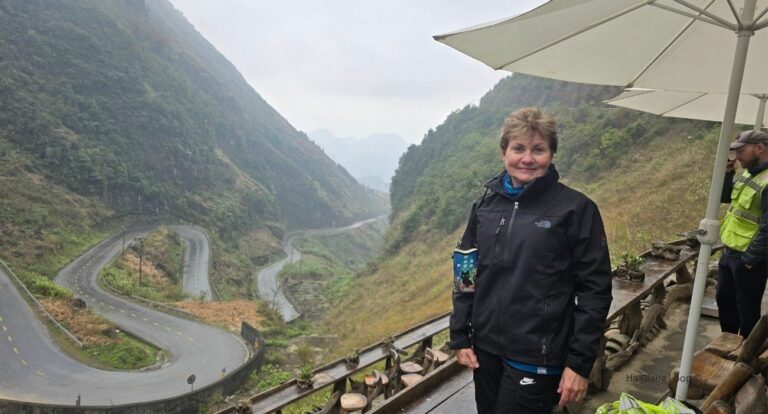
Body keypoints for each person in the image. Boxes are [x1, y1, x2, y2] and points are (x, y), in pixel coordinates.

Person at [449, 107, 612, 414]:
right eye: (518, 148)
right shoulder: (485, 206)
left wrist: (579, 363)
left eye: (538, 149)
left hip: (538, 355)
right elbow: (465, 273)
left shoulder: (576, 209)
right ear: (504, 153)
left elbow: (595, 291)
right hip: (486, 350)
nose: (527, 158)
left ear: (551, 154)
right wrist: (460, 335)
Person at [717, 129, 768, 337]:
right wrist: (728, 174)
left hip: (749, 258)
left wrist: (749, 259)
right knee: (724, 299)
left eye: (741, 151)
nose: (737, 156)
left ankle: (746, 351)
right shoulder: (748, 173)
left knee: (747, 310)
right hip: (729, 251)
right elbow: (726, 198)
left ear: (759, 148)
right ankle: (727, 343)